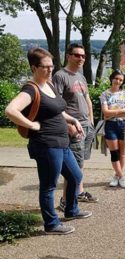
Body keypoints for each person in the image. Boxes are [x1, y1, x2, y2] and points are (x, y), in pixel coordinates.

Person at [5, 48, 92, 234]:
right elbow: (11, 110)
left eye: (52, 66)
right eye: (46, 67)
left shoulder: (49, 84)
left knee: (76, 176)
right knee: (48, 186)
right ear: (34, 67)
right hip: (46, 145)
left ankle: (71, 210)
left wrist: (72, 119)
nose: (50, 70)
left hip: (62, 142)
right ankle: (51, 224)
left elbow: (57, 109)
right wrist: (32, 125)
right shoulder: (30, 89)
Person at [53, 43, 98, 211]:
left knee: (81, 162)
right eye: (77, 55)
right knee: (73, 165)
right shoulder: (60, 76)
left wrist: (91, 122)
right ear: (68, 56)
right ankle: (65, 200)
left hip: (86, 125)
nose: (81, 59)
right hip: (74, 126)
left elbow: (87, 100)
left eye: (83, 56)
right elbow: (56, 104)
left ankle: (78, 192)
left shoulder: (81, 76)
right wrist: (68, 125)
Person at [100, 70, 125, 188]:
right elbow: (105, 112)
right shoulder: (105, 94)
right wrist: (120, 111)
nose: (118, 81)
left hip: (123, 125)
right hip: (110, 126)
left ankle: (117, 176)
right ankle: (122, 176)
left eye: (121, 80)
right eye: (116, 78)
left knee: (122, 153)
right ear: (111, 78)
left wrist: (112, 112)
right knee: (114, 153)